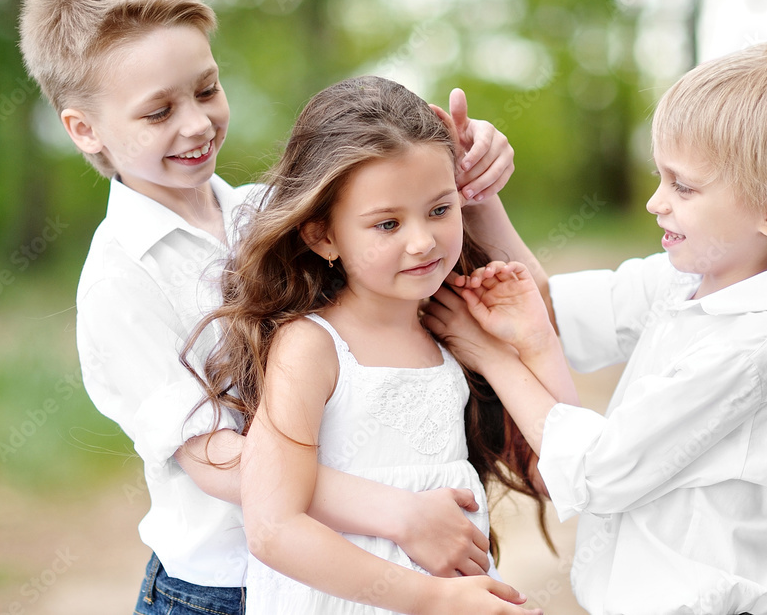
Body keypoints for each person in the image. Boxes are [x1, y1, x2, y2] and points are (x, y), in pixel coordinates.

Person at [18, 0, 520, 614]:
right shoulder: (120, 282)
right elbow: (219, 460)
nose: (196, 123)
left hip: (330, 572)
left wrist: (469, 173)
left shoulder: (266, 211)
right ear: (85, 130)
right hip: (217, 589)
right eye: (157, 111)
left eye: (205, 89)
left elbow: (389, 203)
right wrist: (399, 513)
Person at [423, 38, 767, 614]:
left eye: (683, 186)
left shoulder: (752, 346)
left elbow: (597, 471)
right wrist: (478, 195)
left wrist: (491, 356)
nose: (654, 202)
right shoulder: (690, 276)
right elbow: (547, 307)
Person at [190, 75, 549, 614]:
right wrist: (430, 599)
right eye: (387, 223)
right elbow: (273, 527)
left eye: (440, 209)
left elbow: (561, 445)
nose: (423, 240)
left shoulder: (449, 329)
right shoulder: (312, 348)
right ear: (323, 236)